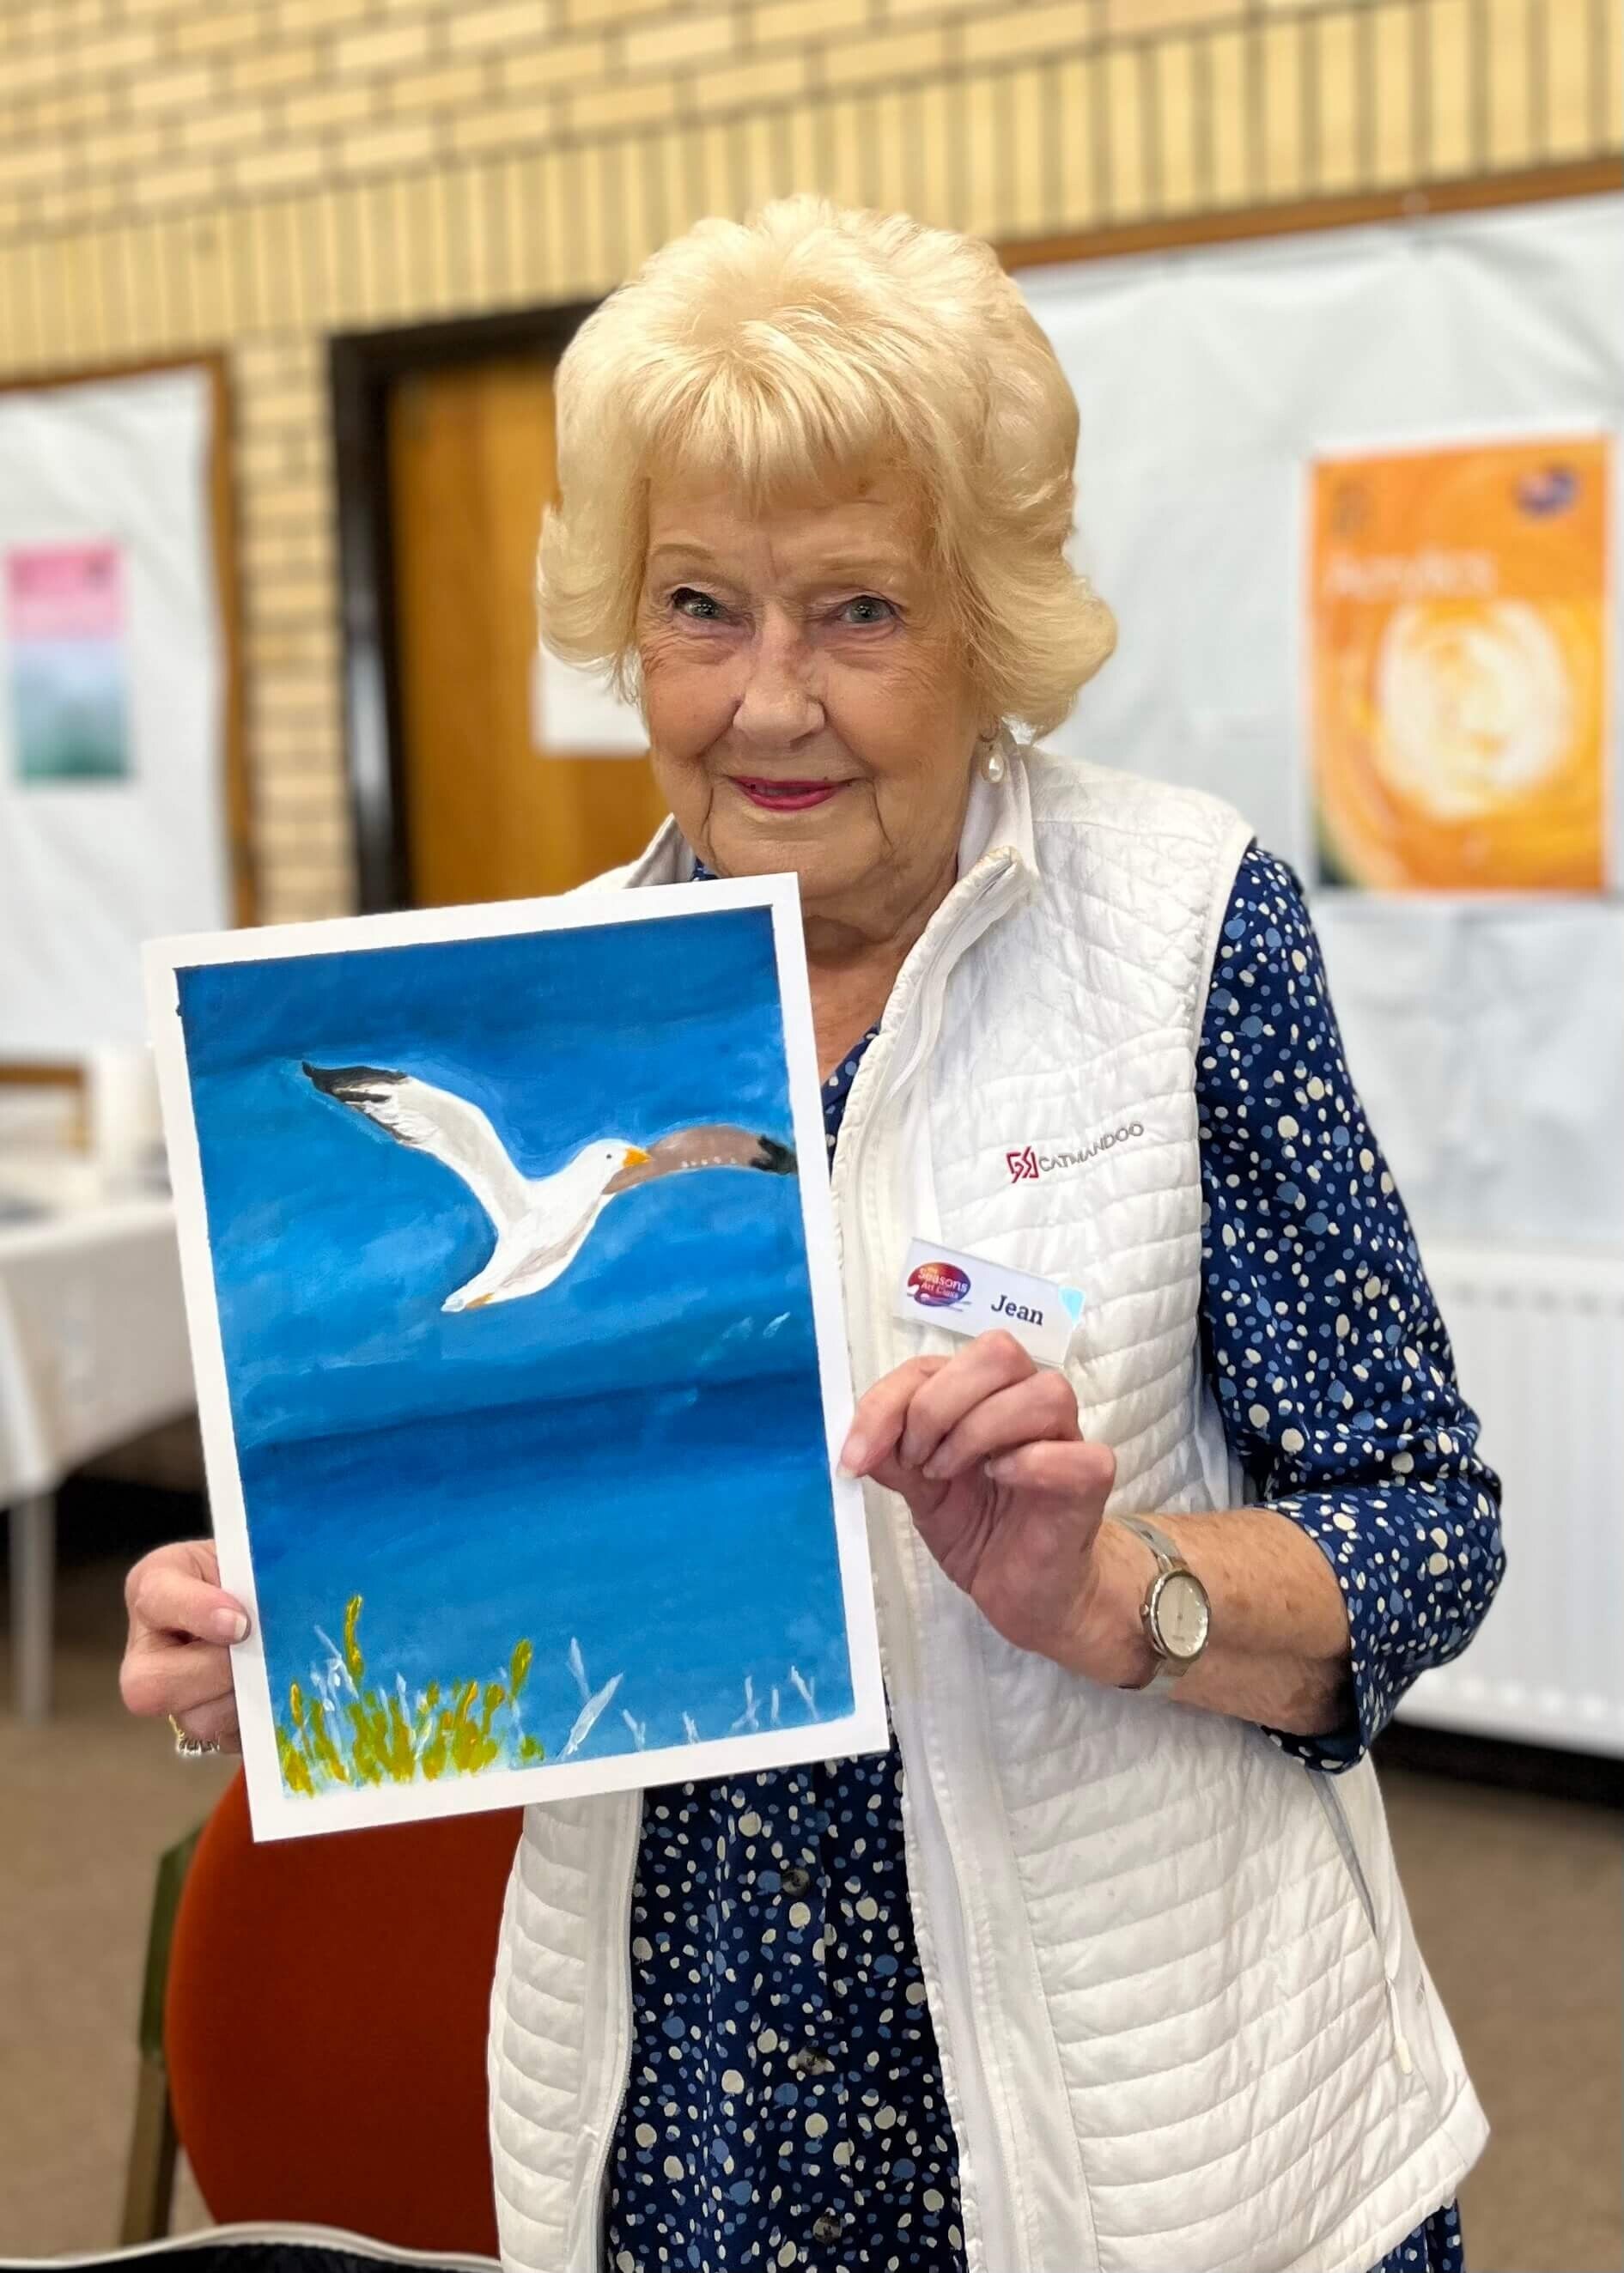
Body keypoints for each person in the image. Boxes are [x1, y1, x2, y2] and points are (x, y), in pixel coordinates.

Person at [123, 198, 1505, 2273]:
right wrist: (289, 1634)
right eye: (700, 605)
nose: (767, 703)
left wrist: (1113, 1589)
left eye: (859, 609)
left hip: (1170, 2152)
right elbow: (508, 1590)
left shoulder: (1179, 930)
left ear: (988, 623)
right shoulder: (543, 1005)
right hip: (694, 2134)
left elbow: (1425, 1523)